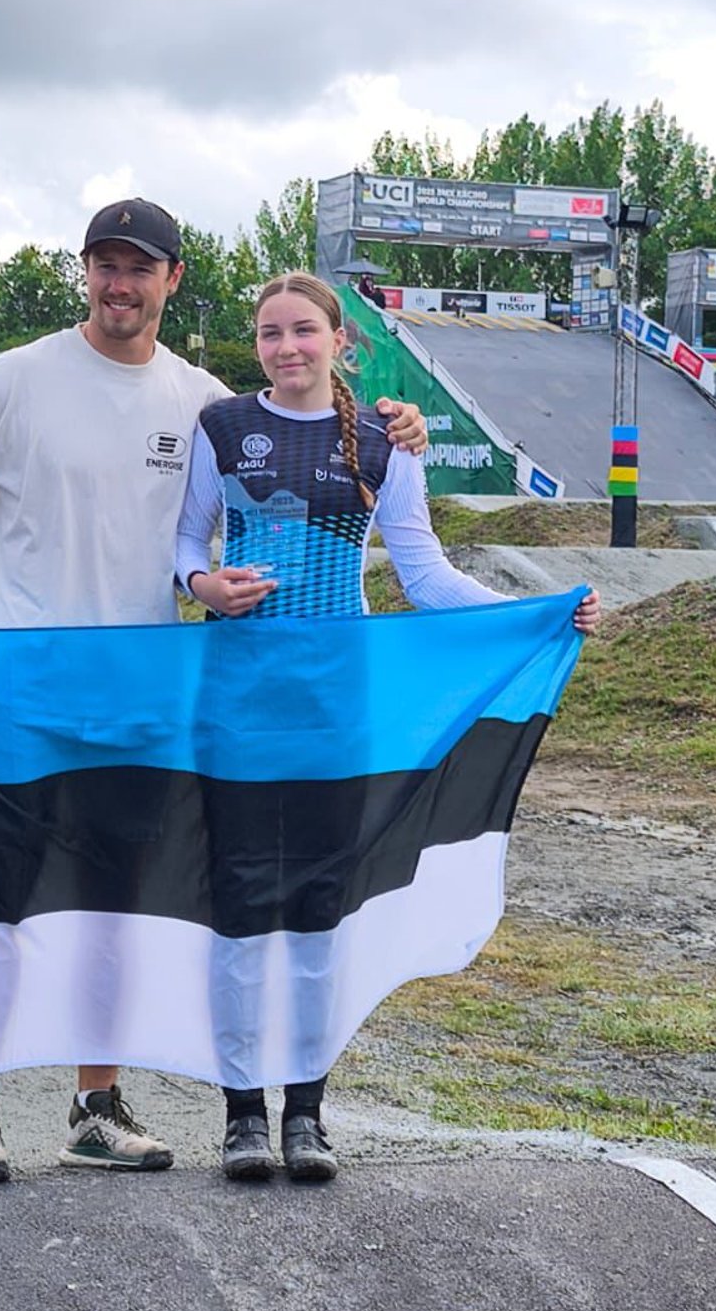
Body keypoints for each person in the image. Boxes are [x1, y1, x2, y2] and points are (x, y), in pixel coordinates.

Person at [0, 197, 431, 1187]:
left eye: (139, 267)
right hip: (19, 692)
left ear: (171, 279)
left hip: (143, 700)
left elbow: (298, 439)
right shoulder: (12, 379)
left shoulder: (202, 402)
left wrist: (392, 420)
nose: (119, 284)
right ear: (85, 273)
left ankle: (93, 1106)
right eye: (104, 264)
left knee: (110, 911)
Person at [175, 271, 601, 1184]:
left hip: (338, 702)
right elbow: (186, 546)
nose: (285, 348)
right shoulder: (222, 429)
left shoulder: (383, 439)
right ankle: (242, 1113)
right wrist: (203, 586)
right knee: (243, 906)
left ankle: (307, 1113)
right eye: (267, 334)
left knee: (322, 910)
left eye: (302, 331)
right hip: (238, 698)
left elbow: (423, 570)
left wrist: (533, 614)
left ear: (340, 341)